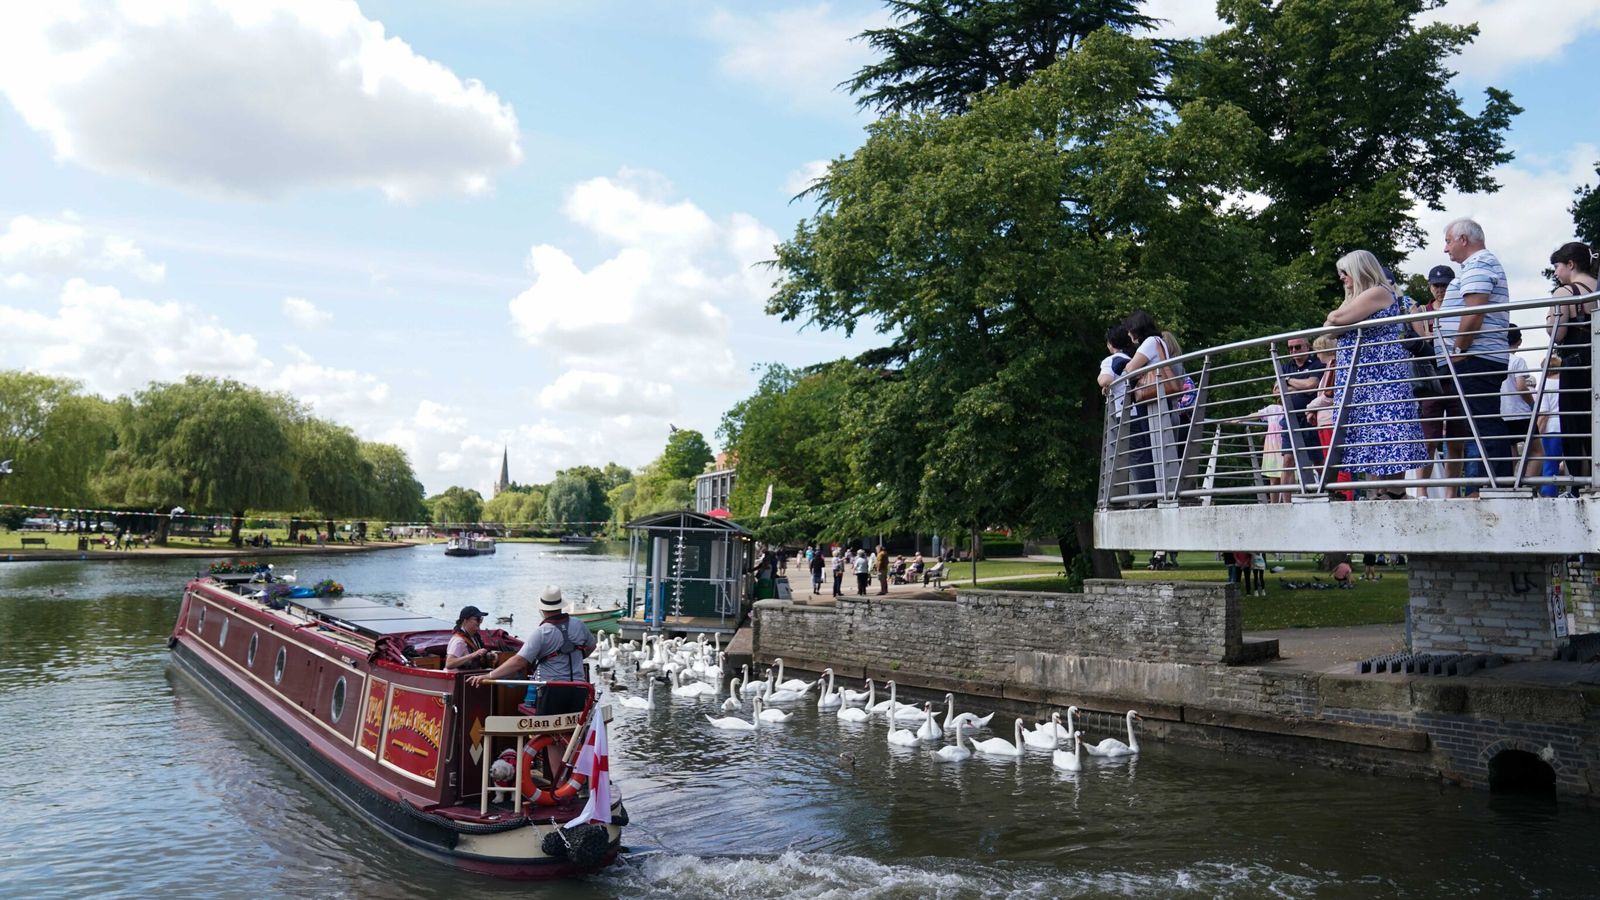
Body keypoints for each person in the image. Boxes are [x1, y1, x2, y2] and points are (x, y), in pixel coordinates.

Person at [1323, 250, 1428, 491]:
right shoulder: (1357, 297)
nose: (1342, 278)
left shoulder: (1379, 292)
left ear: (1361, 269)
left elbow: (1335, 319)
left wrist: (1336, 318)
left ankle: (1393, 492)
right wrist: (1337, 319)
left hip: (1381, 377)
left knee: (1389, 431)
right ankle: (1378, 491)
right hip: (1364, 379)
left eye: (1345, 272)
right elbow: (1329, 331)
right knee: (1370, 435)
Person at [1435, 218, 1514, 482]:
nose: (1446, 249)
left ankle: (1495, 486)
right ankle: (1488, 484)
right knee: (1479, 422)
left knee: (1483, 422)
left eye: (1448, 241)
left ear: (1463, 239)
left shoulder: (1479, 263)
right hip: (1475, 357)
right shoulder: (1477, 265)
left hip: (1476, 358)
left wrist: (1458, 349)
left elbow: (1474, 312)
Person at [469, 586, 595, 714]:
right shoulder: (579, 624)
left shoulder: (542, 632)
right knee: (575, 730)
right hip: (580, 688)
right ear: (560, 606)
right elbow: (591, 647)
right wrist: (577, 658)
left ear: (542, 610)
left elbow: (519, 661)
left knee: (548, 731)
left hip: (553, 691)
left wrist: (489, 675)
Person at [1547, 241, 1597, 489]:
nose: (1556, 273)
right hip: (1597, 363)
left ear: (1570, 264)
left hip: (1576, 367)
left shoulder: (1564, 293)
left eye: (1557, 266)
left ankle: (1580, 484)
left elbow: (1556, 333)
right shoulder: (1597, 288)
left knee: (1575, 426)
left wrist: (1549, 316)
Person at [1122, 310, 1185, 501]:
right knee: (1160, 448)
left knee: (1150, 448)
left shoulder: (1150, 343)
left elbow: (1129, 369)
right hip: (1161, 400)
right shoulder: (1161, 342)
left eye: (1129, 329)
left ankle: (1153, 497)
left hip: (1151, 400)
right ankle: (1162, 494)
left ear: (1136, 329)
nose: (1128, 334)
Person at [1278, 335, 1326, 475]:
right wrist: (1302, 385)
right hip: (1290, 418)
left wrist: (1286, 380)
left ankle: (1330, 494)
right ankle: (1286, 498)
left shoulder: (1317, 363)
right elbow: (1276, 390)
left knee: (1318, 460)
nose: (1294, 350)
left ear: (1307, 346)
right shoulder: (1286, 366)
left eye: (1298, 347)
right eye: (1290, 348)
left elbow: (1311, 385)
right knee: (1288, 460)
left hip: (1311, 418)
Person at [1499, 327, 1537, 476]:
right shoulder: (1518, 361)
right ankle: (1526, 482)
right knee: (1537, 451)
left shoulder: (1498, 358)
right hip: (1520, 412)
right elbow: (1521, 386)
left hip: (1502, 411)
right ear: (1519, 341)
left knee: (1511, 450)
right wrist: (1532, 404)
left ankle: (1508, 483)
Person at [445, 605, 494, 670]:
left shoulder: (475, 637)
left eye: (481, 619)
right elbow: (449, 663)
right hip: (457, 678)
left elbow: (478, 655)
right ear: (465, 621)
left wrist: (488, 655)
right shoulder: (459, 641)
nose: (479, 622)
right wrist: (473, 655)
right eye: (477, 619)